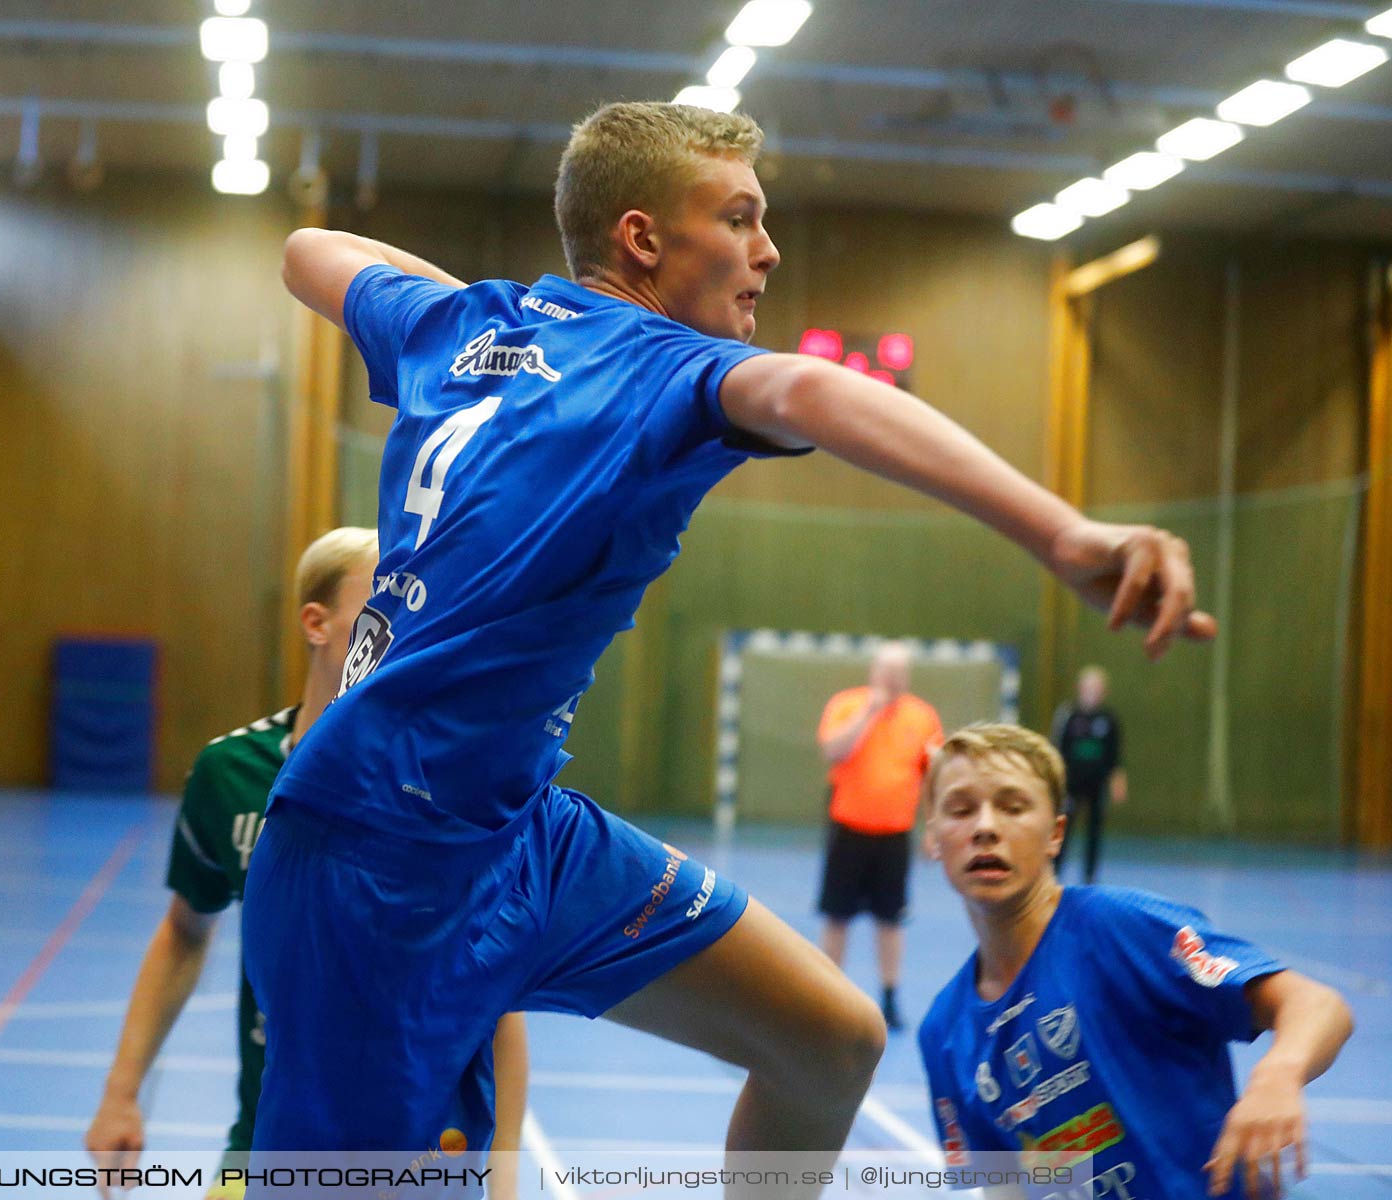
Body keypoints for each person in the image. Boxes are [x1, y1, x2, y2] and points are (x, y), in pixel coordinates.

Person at [255, 99, 1213, 1182]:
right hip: (376, 858)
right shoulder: (664, 369)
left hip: (523, 833)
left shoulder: (460, 331)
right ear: (643, 240)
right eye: (741, 218)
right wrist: (1061, 530)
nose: (768, 250)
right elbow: (813, 387)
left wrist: (490, 318)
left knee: (830, 1038)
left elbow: (308, 250)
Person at [86, 528, 529, 1198]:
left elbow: (496, 994)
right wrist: (121, 1095)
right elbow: (184, 933)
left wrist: (502, 1173)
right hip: (269, 1146)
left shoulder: (449, 783)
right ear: (317, 623)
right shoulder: (231, 773)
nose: (404, 625)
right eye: (381, 604)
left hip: (420, 1153)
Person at [918, 724, 1352, 1199]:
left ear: (1055, 834)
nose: (985, 827)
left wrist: (1278, 1075)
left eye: (1013, 807)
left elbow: (1317, 1004)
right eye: (961, 810)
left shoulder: (1120, 929)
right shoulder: (944, 1032)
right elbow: (1007, 1188)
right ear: (934, 837)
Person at [814, 642, 942, 1031]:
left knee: (891, 919)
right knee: (837, 916)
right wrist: (870, 712)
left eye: (899, 672)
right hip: (849, 829)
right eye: (886, 671)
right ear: (874, 672)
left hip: (894, 834)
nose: (892, 679)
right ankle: (824, 995)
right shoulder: (846, 705)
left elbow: (934, 774)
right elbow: (833, 751)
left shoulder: (922, 717)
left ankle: (889, 997)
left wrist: (933, 824)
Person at [1049, 666, 1126, 883]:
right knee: (1063, 829)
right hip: (1072, 784)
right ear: (1081, 689)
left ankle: (1090, 876)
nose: (1093, 692)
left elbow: (1114, 755)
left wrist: (1117, 781)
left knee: (1094, 830)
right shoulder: (1068, 715)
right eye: (1089, 688)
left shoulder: (1109, 719)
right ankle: (1055, 873)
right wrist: (1058, 784)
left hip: (1097, 784)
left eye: (1098, 689)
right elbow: (1056, 750)